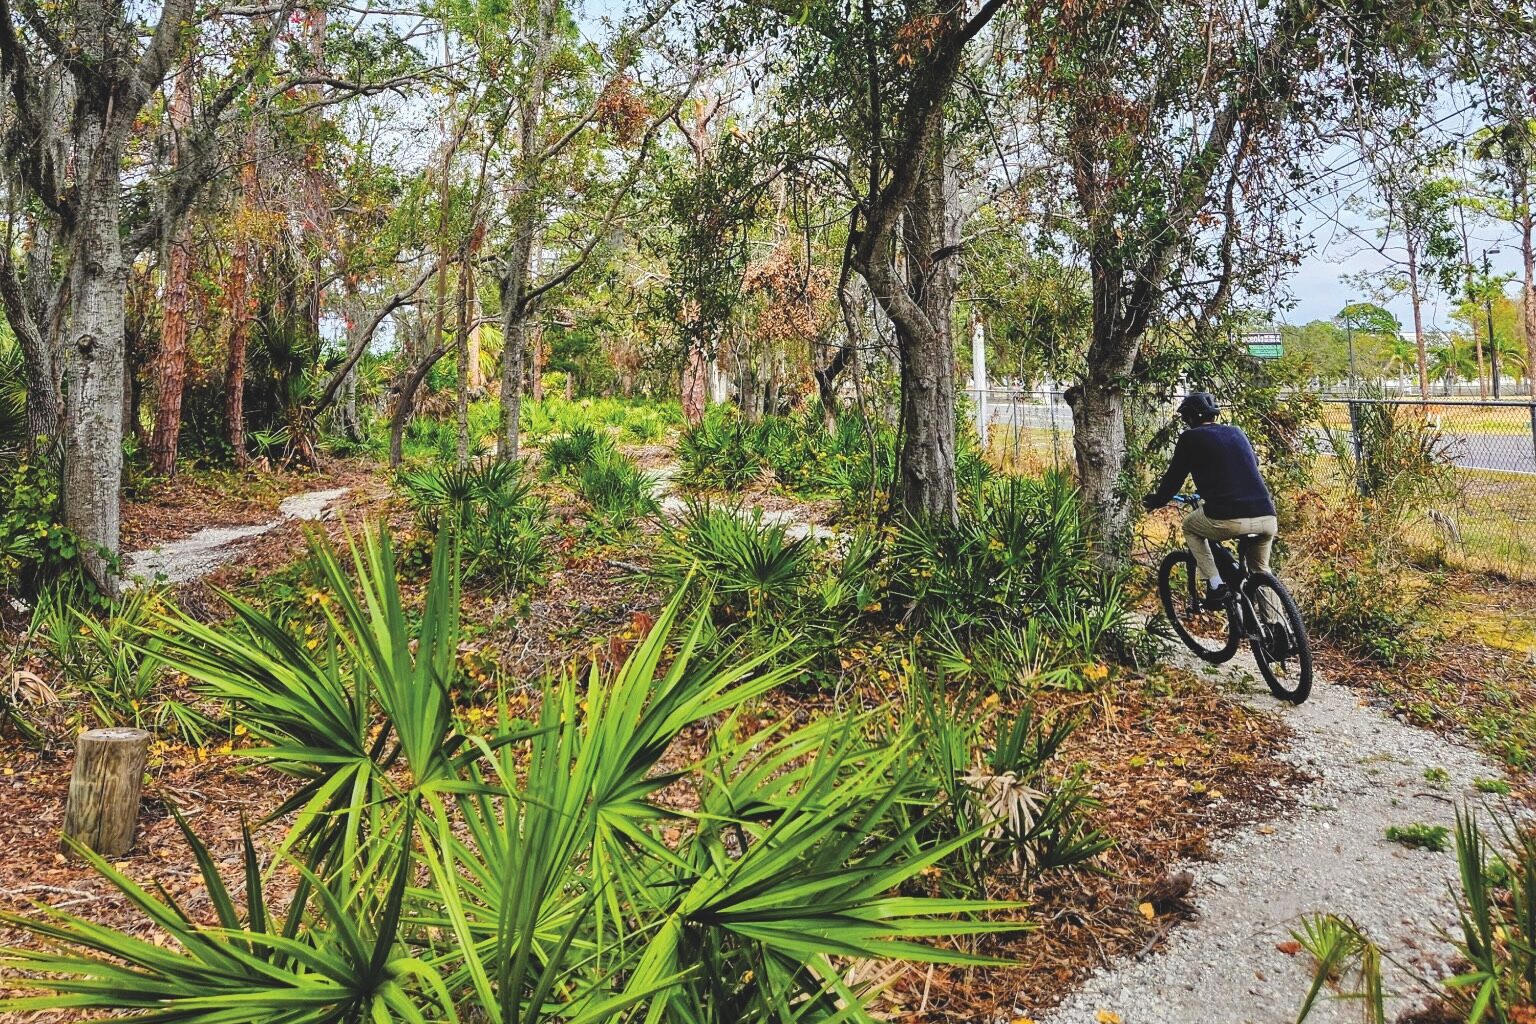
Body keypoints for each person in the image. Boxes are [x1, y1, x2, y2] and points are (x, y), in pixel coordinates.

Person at [1142, 392, 1277, 607]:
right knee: (1260, 571)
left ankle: (1215, 585)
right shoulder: (1237, 432)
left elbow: (1174, 477)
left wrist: (1157, 500)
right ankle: (1277, 631)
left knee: (1190, 526)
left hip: (1228, 518)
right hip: (1267, 515)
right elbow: (1252, 463)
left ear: (1190, 418)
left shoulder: (1190, 438)